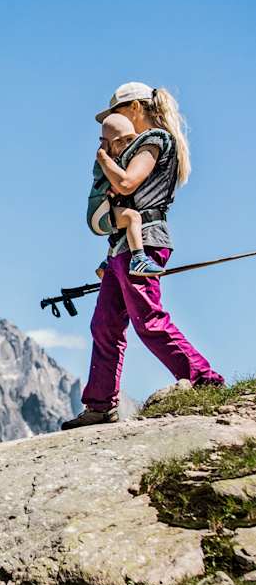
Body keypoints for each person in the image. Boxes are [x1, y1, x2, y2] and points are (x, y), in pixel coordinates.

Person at [64, 82, 225, 430]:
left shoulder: (154, 140)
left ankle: (204, 380)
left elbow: (126, 185)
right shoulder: (140, 143)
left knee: (147, 319)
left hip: (145, 242)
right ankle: (100, 405)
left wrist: (104, 158)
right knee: (104, 324)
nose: (113, 126)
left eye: (117, 114)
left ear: (135, 107)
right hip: (124, 246)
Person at [97, 113, 164, 277]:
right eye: (119, 142)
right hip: (98, 212)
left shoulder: (120, 159)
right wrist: (103, 156)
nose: (126, 145)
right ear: (107, 145)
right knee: (133, 217)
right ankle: (139, 259)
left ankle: (107, 262)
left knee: (123, 223)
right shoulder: (107, 163)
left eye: (130, 139)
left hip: (105, 211)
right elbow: (122, 185)